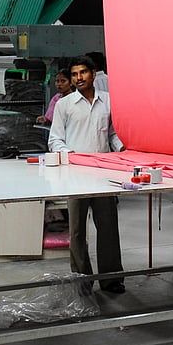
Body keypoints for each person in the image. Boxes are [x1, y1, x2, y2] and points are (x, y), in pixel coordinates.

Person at [48, 55, 126, 294]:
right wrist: (71, 155)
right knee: (77, 231)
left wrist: (122, 148)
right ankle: (82, 281)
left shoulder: (110, 102)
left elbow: (112, 133)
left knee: (108, 227)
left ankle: (112, 280)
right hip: (75, 176)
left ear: (93, 74)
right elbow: (55, 140)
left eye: (83, 73)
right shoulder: (65, 105)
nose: (78, 78)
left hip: (103, 175)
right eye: (74, 75)